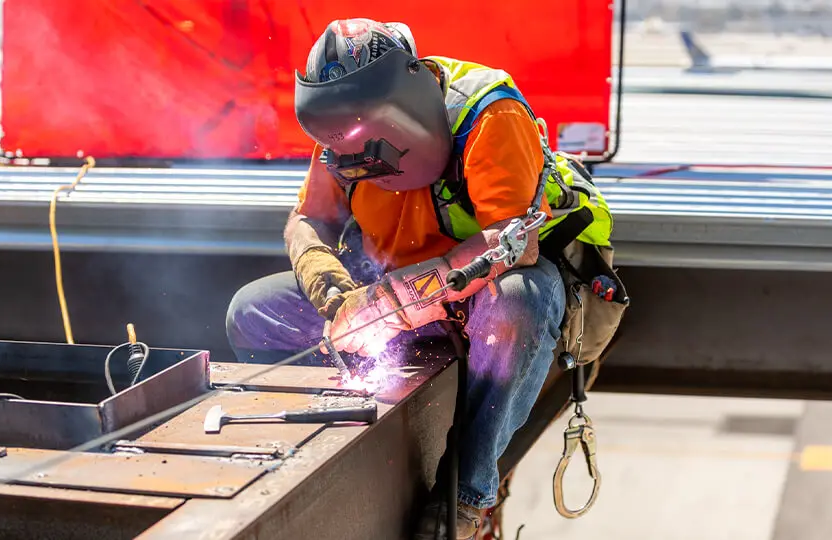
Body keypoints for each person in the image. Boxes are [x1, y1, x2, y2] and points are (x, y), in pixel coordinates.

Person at [226, 17, 619, 539]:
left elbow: (514, 243)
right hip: (388, 297)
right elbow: (308, 220)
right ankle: (314, 436)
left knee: (522, 299)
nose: (353, 158)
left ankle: (467, 493)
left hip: (482, 298)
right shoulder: (343, 128)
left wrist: (390, 304)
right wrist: (333, 291)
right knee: (252, 311)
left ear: (405, 105)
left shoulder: (489, 112)